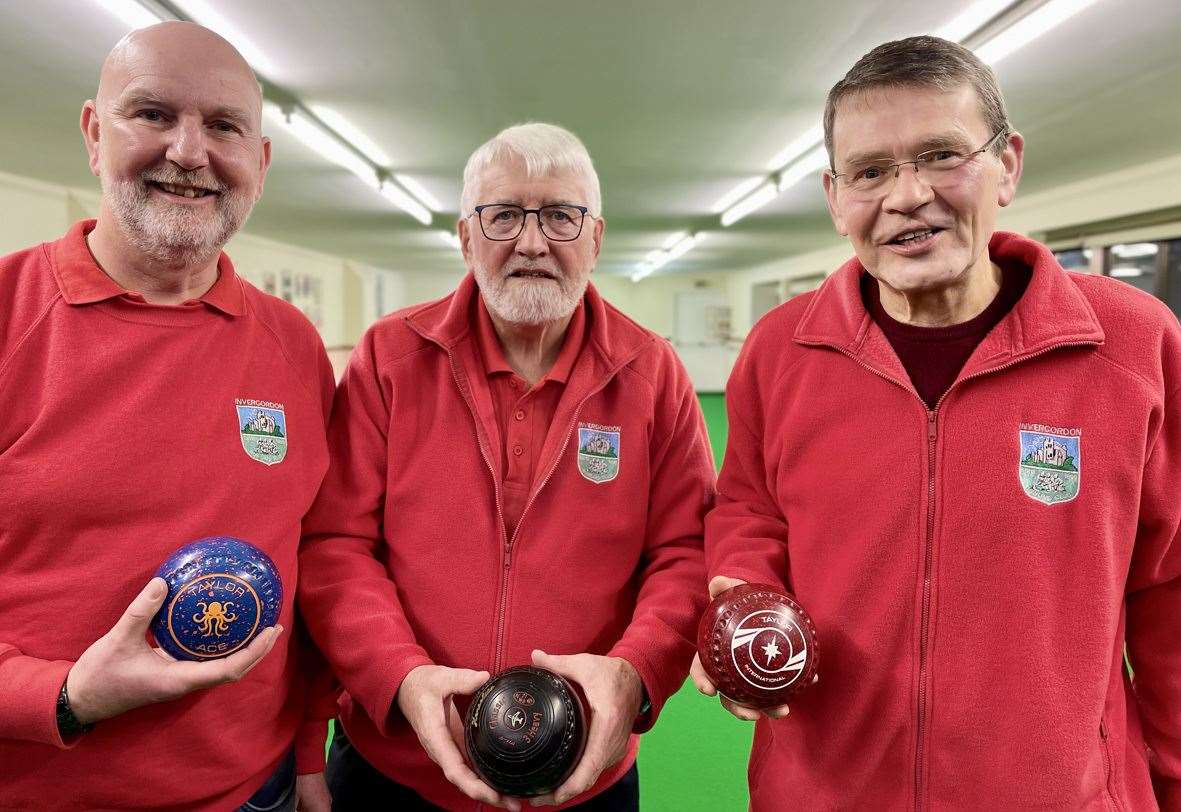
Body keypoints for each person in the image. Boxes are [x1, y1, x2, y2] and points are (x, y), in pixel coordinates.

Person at [694, 35, 1181, 810]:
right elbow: (749, 506)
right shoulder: (779, 350)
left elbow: (1169, 588)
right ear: (834, 197)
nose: (907, 195)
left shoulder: (1133, 344)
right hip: (820, 791)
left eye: (940, 155)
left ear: (1007, 166)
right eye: (870, 171)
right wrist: (744, 588)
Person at [298, 122, 715, 810]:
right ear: (466, 238)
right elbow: (338, 545)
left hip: (582, 777)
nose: (530, 241)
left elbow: (685, 551)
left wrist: (635, 671)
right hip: (394, 769)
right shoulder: (388, 359)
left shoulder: (652, 373)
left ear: (595, 238)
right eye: (502, 217)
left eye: (559, 215)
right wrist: (398, 677)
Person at [0, 22, 333, 811]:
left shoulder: (292, 344)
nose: (189, 152)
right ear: (93, 132)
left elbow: (313, 557)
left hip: (259, 792)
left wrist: (309, 752)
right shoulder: (9, 316)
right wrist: (60, 693)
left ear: (260, 160)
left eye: (224, 126)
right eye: (151, 114)